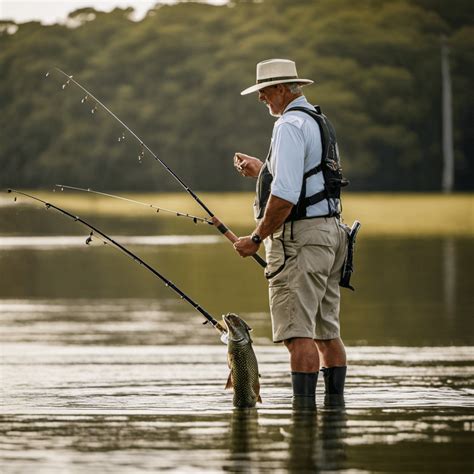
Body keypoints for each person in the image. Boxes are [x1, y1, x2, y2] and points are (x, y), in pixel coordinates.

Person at [233, 58, 348, 407]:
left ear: (282, 89)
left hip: (301, 240)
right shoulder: (317, 120)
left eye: (265, 92)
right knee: (327, 334)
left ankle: (304, 421)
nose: (262, 99)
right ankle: (333, 415)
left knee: (298, 335)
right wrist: (265, 170)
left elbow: (285, 196)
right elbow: (306, 177)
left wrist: (255, 238)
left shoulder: (287, 126)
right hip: (331, 235)